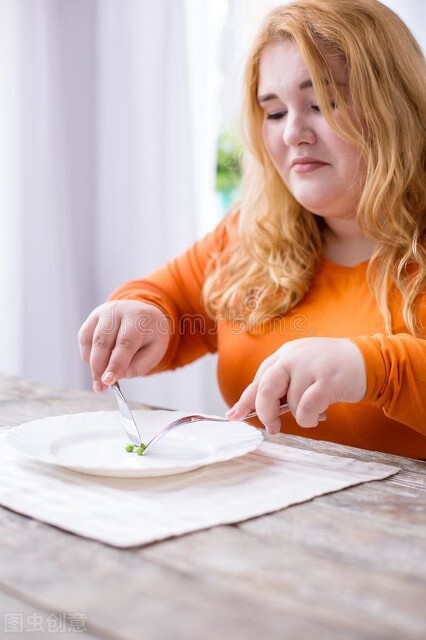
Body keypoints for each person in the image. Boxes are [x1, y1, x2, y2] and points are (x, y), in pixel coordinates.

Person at [78, 0, 426, 459]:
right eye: (275, 112)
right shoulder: (251, 232)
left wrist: (373, 367)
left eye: (322, 103)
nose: (291, 134)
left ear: (394, 105)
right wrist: (141, 314)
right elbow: (173, 302)